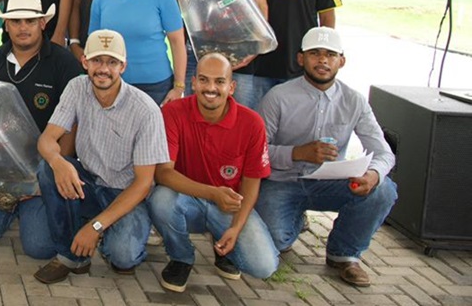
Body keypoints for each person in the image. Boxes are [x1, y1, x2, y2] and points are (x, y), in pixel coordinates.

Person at [255, 27, 398, 288]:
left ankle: (344, 255)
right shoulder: (278, 97)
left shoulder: (354, 101)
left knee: (383, 189)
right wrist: (297, 152)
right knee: (275, 242)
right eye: (315, 53)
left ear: (341, 61)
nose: (322, 60)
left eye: (330, 55)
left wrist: (373, 174)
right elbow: (256, 151)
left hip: (329, 183)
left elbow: (383, 152)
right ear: (301, 58)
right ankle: (295, 220)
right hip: (283, 182)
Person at [35, 29, 169, 284]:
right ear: (84, 62)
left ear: (123, 66)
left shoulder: (146, 111)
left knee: (123, 257)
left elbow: (143, 184)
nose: (103, 69)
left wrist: (95, 227)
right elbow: (46, 140)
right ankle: (70, 257)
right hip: (90, 182)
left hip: (126, 193)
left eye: (112, 62)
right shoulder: (77, 87)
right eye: (97, 60)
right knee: (47, 169)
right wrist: (58, 162)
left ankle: (105, 229)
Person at [0, 0, 81, 256]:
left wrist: (54, 171)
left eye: (30, 20)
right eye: (15, 21)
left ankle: (30, 205)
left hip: (44, 164)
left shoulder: (64, 63)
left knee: (39, 248)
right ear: (6, 25)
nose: (23, 28)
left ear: (42, 23)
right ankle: (13, 206)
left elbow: (75, 123)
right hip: (1, 163)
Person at [150, 53, 279, 293]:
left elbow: (252, 181)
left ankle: (224, 249)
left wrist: (236, 228)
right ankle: (181, 258)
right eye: (204, 80)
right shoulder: (172, 112)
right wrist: (212, 193)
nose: (211, 88)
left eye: (219, 81)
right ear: (193, 83)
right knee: (160, 199)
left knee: (263, 266)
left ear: (232, 87)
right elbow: (163, 174)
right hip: (186, 199)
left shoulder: (252, 123)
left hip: (228, 205)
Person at [89, 0, 186, 105]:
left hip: (157, 88)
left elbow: (178, 42)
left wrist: (178, 87)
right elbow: (94, 48)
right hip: (114, 86)